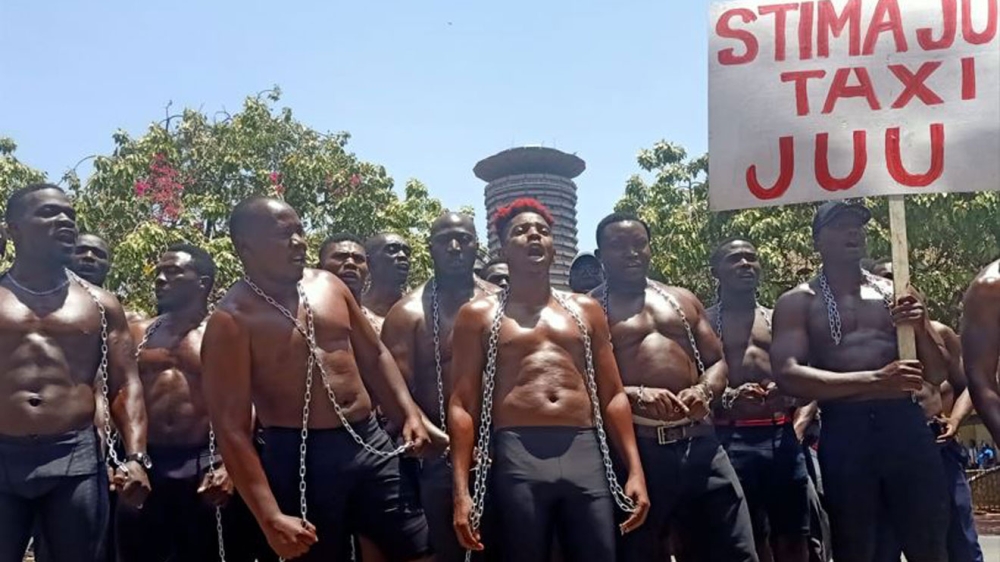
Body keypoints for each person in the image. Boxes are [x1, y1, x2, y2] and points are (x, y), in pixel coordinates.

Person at [201, 196, 432, 561]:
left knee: (415, 550)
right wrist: (270, 516)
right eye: (284, 235)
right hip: (299, 453)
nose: (299, 242)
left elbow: (374, 355)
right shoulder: (231, 320)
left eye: (299, 231)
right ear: (246, 246)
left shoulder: (329, 286)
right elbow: (230, 428)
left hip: (368, 440)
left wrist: (408, 414)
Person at [449, 198, 650, 562]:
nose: (534, 236)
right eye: (521, 231)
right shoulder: (478, 314)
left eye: (542, 231)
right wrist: (461, 491)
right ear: (504, 248)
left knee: (600, 553)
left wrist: (635, 470)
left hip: (584, 448)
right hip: (518, 451)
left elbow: (613, 395)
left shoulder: (585, 310)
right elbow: (462, 404)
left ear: (554, 247)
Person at [771, 200, 951, 562]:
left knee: (929, 540)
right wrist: (875, 380)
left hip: (904, 424)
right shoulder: (798, 301)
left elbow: (938, 373)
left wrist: (920, 327)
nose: (852, 232)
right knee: (857, 545)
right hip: (846, 429)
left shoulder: (896, 293)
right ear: (817, 240)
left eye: (856, 226)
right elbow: (789, 374)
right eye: (839, 226)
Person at [591, 214, 757, 562]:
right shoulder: (587, 309)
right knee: (643, 550)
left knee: (735, 549)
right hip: (638, 450)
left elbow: (718, 361)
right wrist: (633, 394)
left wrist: (704, 391)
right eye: (619, 246)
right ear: (600, 254)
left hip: (701, 445)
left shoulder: (682, 299)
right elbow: (579, 378)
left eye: (639, 243)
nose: (632, 253)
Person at [0, 184, 150, 562]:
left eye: (69, 213)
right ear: (13, 229)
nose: (64, 219)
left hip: (73, 457)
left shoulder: (100, 304)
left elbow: (125, 384)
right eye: (48, 213)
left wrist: (135, 457)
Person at [115, 243, 266, 562]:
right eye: (158, 272)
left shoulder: (226, 332)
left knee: (211, 552)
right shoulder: (138, 332)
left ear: (203, 282)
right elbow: (121, 392)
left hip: (206, 462)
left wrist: (231, 466)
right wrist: (132, 459)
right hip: (148, 463)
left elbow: (249, 399)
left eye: (173, 271)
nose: (160, 279)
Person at [382, 211, 497, 562]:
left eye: (463, 238)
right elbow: (396, 396)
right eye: (445, 239)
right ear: (430, 248)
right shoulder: (407, 314)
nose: (454, 246)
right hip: (439, 453)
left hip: (504, 447)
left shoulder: (501, 301)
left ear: (477, 245)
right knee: (450, 551)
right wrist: (445, 441)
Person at [868, 259, 983, 562]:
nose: (894, 288)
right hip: (884, 446)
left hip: (936, 444)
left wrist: (956, 419)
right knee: (885, 540)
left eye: (901, 280)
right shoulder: (865, 343)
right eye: (885, 280)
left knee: (957, 536)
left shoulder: (940, 334)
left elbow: (971, 382)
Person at [705, 237, 811, 562]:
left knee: (794, 534)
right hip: (728, 438)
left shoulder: (779, 319)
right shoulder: (704, 323)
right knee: (742, 537)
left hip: (781, 435)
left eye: (751, 258)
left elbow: (808, 370)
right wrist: (727, 399)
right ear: (716, 272)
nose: (745, 265)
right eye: (734, 259)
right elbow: (694, 381)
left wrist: (792, 397)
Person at [363, 232, 412, 325]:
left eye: (407, 253)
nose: (403, 256)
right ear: (368, 261)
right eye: (392, 250)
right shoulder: (352, 309)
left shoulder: (418, 310)